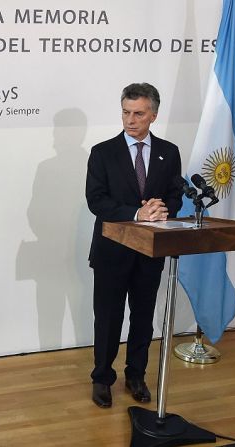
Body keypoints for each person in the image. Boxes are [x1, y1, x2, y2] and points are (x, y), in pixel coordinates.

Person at [85, 83, 182, 408]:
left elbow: (174, 194)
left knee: (143, 317)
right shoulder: (103, 152)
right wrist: (137, 213)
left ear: (153, 115)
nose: (130, 119)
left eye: (138, 113)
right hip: (112, 251)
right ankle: (102, 378)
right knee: (108, 318)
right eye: (126, 112)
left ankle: (136, 375)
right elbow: (96, 201)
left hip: (150, 251)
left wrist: (162, 210)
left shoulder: (169, 151)